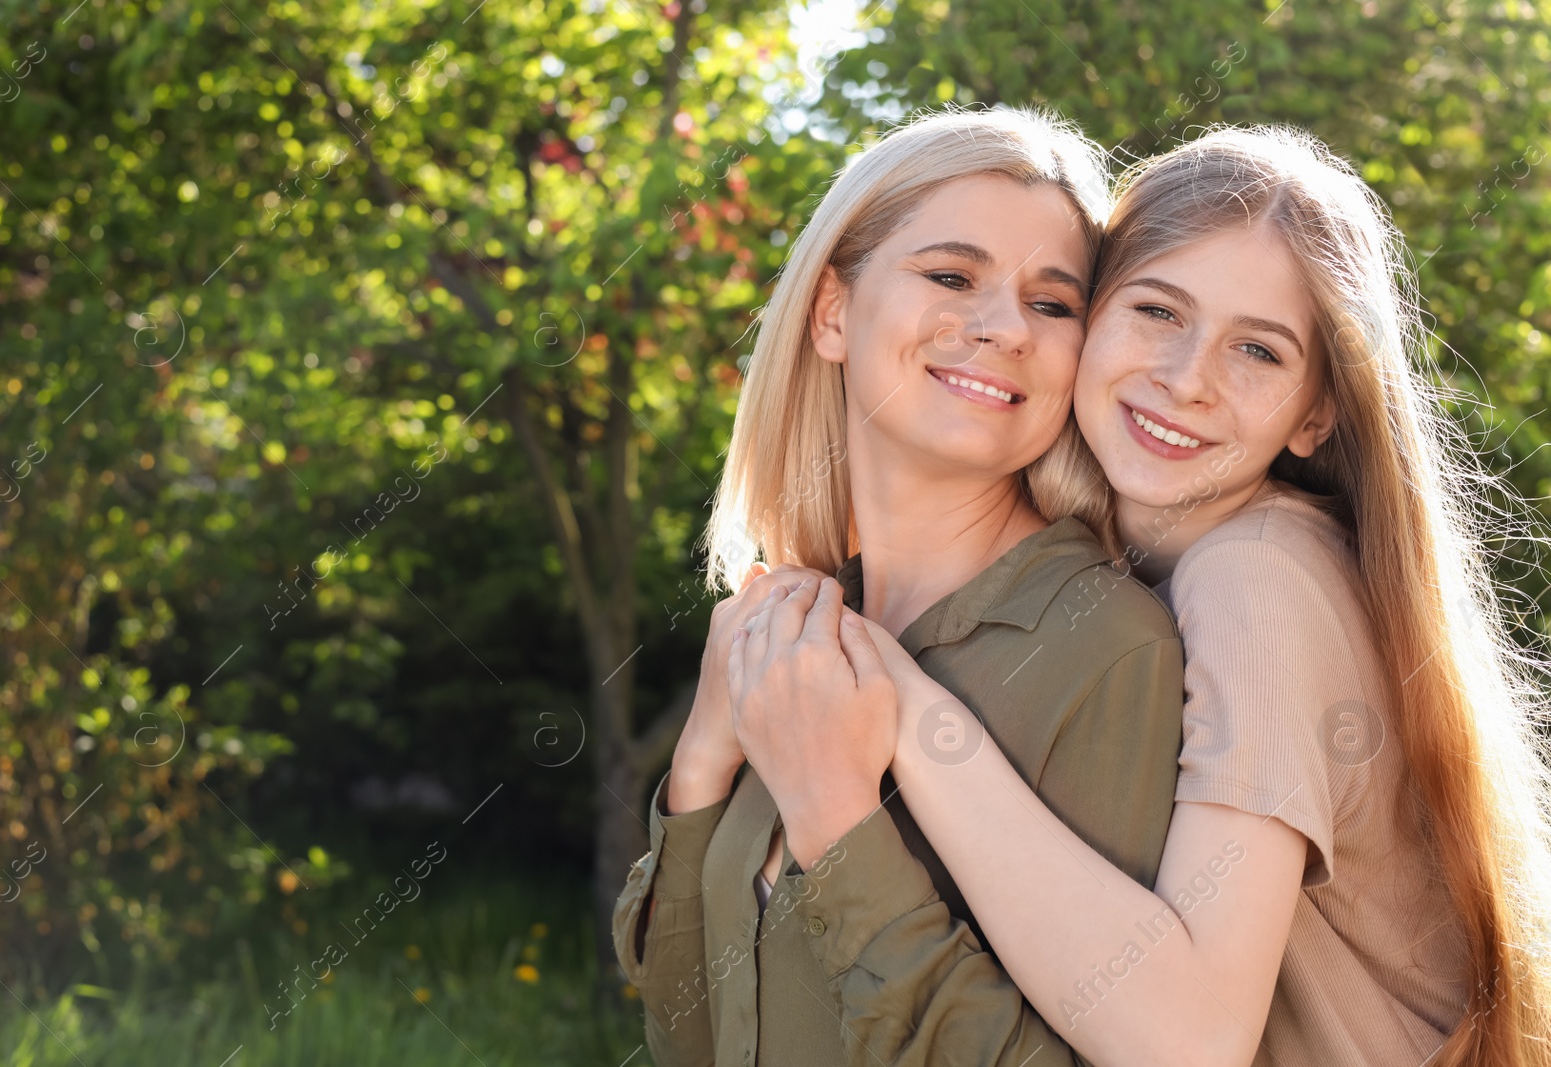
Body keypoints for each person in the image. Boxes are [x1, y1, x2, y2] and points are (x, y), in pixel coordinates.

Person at [731, 127, 1551, 1066]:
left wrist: (904, 705)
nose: (1186, 378)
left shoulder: (1258, 579)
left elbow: (1189, 1041)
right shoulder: (1125, 564)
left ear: (1317, 413)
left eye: (1260, 352)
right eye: (1159, 312)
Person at [610, 105, 1190, 1067]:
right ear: (833, 312)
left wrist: (837, 818)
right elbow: (692, 1039)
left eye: (1052, 303)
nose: (1004, 326)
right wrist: (704, 766)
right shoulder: (793, 625)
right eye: (953, 276)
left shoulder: (1105, 644)